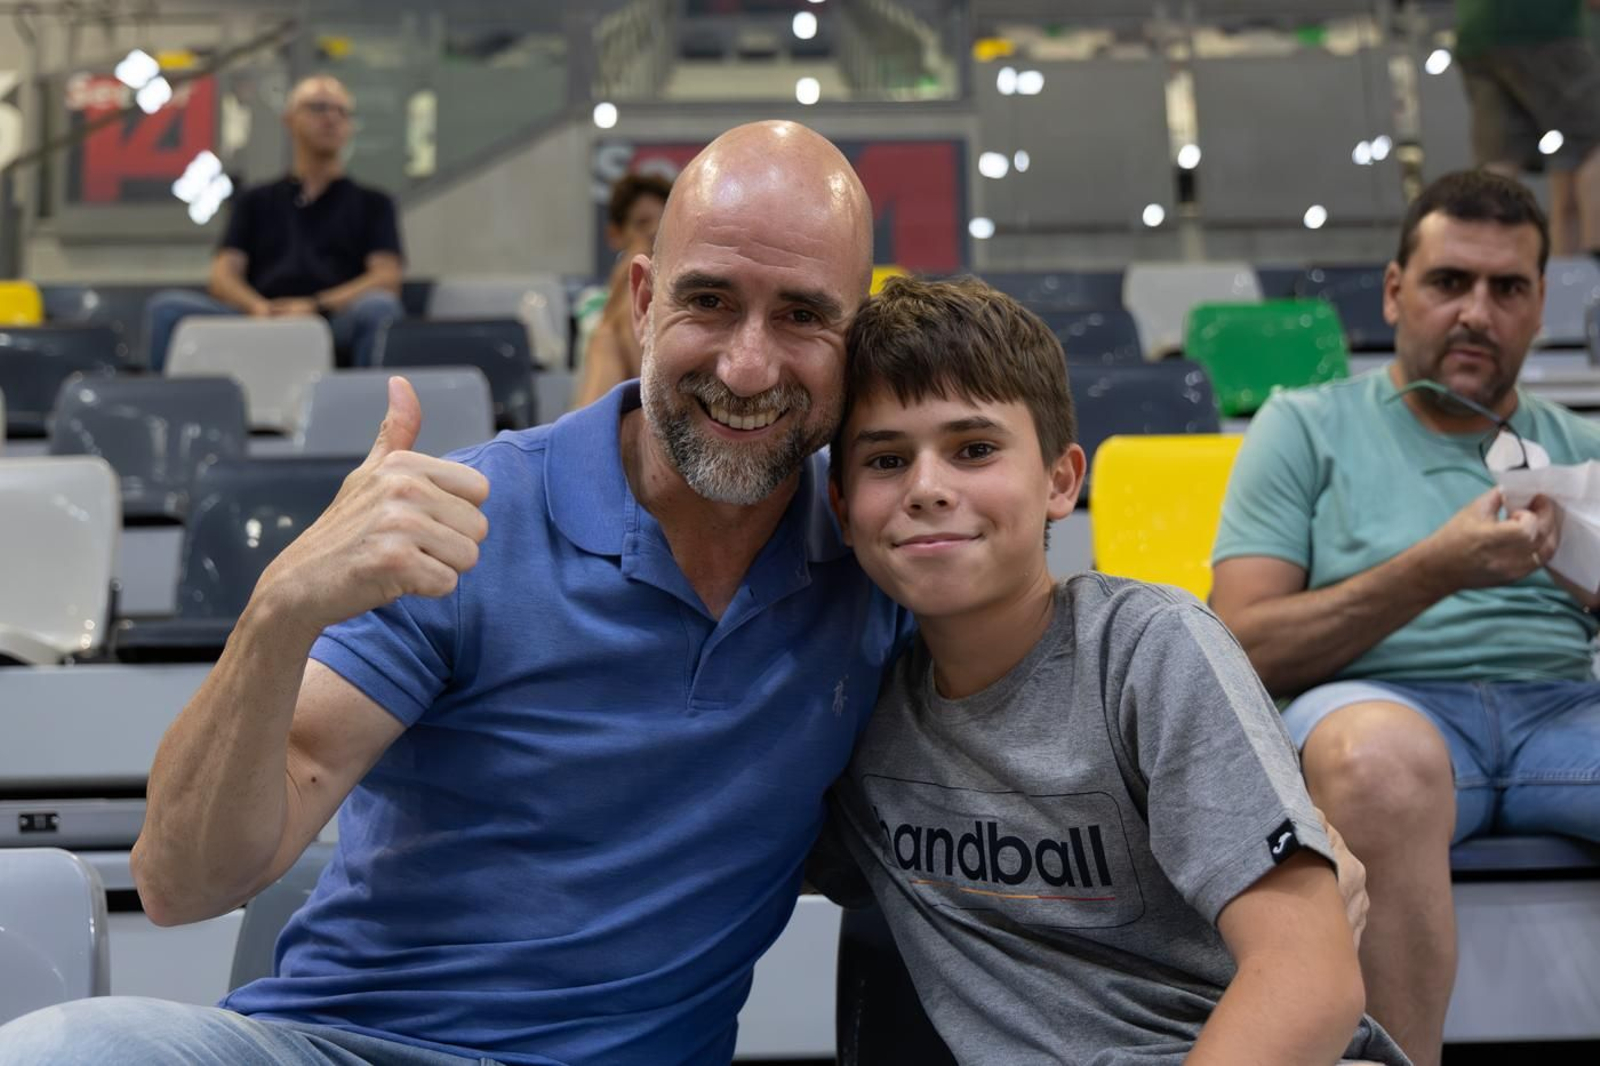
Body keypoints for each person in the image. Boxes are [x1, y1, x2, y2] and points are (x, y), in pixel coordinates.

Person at [0, 120, 897, 1066]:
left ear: (854, 335)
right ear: (640, 300)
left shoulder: (877, 562)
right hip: (352, 1048)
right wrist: (282, 608)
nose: (748, 365)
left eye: (802, 315)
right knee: (71, 1049)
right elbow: (179, 881)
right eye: (709, 301)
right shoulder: (470, 517)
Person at [810, 276, 1406, 1066]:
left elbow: (1311, 982)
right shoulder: (859, 712)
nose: (928, 489)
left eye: (975, 449)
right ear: (843, 508)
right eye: (886, 459)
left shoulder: (1152, 649)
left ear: (1061, 480)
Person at [1209, 169, 1600, 1066]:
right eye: (1448, 282)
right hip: (1377, 702)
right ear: (1395, 293)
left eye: (1508, 289)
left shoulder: (1582, 446)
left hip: (1559, 715)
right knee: (1380, 758)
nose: (1477, 312)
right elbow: (1241, 646)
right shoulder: (1303, 426)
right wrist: (1433, 571)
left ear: (1541, 306)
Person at [143, 75, 404, 371]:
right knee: (167, 309)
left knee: (380, 308)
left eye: (341, 111)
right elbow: (222, 276)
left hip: (332, 320)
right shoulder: (255, 200)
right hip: (258, 315)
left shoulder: (374, 204)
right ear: (290, 119)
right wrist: (257, 307)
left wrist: (316, 305)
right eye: (318, 107)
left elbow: (386, 279)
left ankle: (370, 407)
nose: (331, 118)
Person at [1454, 0, 1600, 255]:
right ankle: (1588, 272)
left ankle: (1486, 264)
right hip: (1544, 27)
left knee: (1500, 158)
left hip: (1476, 30)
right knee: (1590, 147)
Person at [574, 172, 673, 407]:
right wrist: (630, 274)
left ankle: (586, 436)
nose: (654, 232)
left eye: (665, 222)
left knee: (605, 339)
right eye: (642, 223)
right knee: (605, 337)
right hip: (631, 396)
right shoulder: (592, 301)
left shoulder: (685, 300)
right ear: (615, 235)